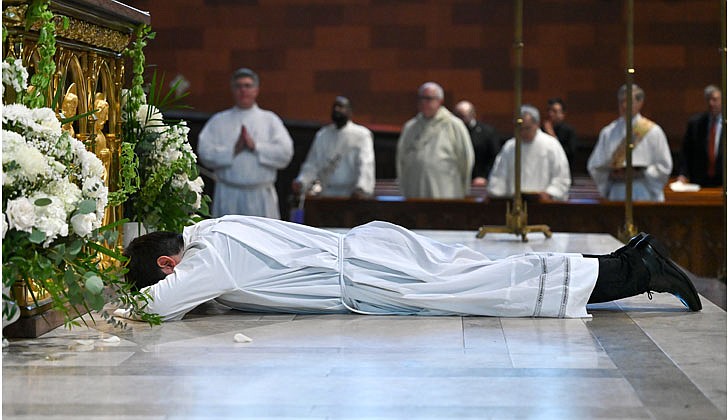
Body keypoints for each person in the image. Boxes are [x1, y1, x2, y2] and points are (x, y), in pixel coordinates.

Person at [121, 215, 702, 322]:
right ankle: (625, 264)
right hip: (370, 252)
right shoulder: (217, 228)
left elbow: (162, 305)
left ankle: (636, 269)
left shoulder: (208, 256)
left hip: (370, 274)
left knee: (498, 290)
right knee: (495, 273)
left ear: (171, 262)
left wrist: (109, 307)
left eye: (166, 273)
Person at [197, 68, 294, 219]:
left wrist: (255, 146)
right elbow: (205, 152)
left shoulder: (270, 120)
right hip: (228, 194)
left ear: (256, 90)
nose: (243, 90)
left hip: (261, 196)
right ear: (232, 90)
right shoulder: (218, 121)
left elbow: (285, 153)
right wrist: (233, 150)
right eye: (238, 86)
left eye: (248, 86)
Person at [587, 84, 672, 201]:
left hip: (642, 190)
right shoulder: (608, 132)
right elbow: (595, 166)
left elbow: (664, 166)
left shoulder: (653, 132)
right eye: (621, 101)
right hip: (616, 191)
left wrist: (641, 173)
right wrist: (610, 174)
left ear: (640, 103)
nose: (624, 105)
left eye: (629, 101)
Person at [396, 82, 474, 199]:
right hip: (415, 190)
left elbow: (466, 159)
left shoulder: (454, 125)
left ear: (440, 101)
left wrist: (464, 187)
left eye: (428, 99)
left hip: (445, 191)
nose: (423, 102)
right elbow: (401, 159)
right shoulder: (410, 127)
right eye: (421, 98)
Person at [292, 96, 375, 198]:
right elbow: (312, 163)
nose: (337, 110)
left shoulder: (361, 135)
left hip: (351, 194)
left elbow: (366, 163)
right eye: (335, 107)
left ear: (350, 111)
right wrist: (302, 181)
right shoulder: (323, 135)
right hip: (326, 193)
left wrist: (362, 188)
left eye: (341, 107)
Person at [487, 105, 572, 201]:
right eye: (519, 128)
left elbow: (561, 176)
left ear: (537, 124)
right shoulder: (510, 147)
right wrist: (497, 193)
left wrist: (550, 193)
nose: (522, 132)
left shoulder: (551, 145)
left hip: (543, 204)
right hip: (515, 202)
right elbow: (499, 176)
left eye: (527, 128)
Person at [678, 85, 724, 187]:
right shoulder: (696, 123)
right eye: (708, 100)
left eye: (715, 100)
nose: (711, 103)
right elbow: (686, 152)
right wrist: (683, 174)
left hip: (724, 181)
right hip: (700, 180)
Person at [453, 100, 502, 186]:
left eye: (462, 116)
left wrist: (485, 176)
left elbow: (495, 157)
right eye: (457, 116)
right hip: (456, 180)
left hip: (480, 181)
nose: (459, 120)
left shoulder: (487, 132)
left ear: (473, 115)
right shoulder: (451, 132)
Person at [542, 97, 578, 172]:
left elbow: (570, 153)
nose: (550, 114)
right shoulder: (542, 130)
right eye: (549, 110)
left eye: (554, 111)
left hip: (563, 170)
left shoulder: (569, 131)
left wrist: (553, 136)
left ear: (562, 114)